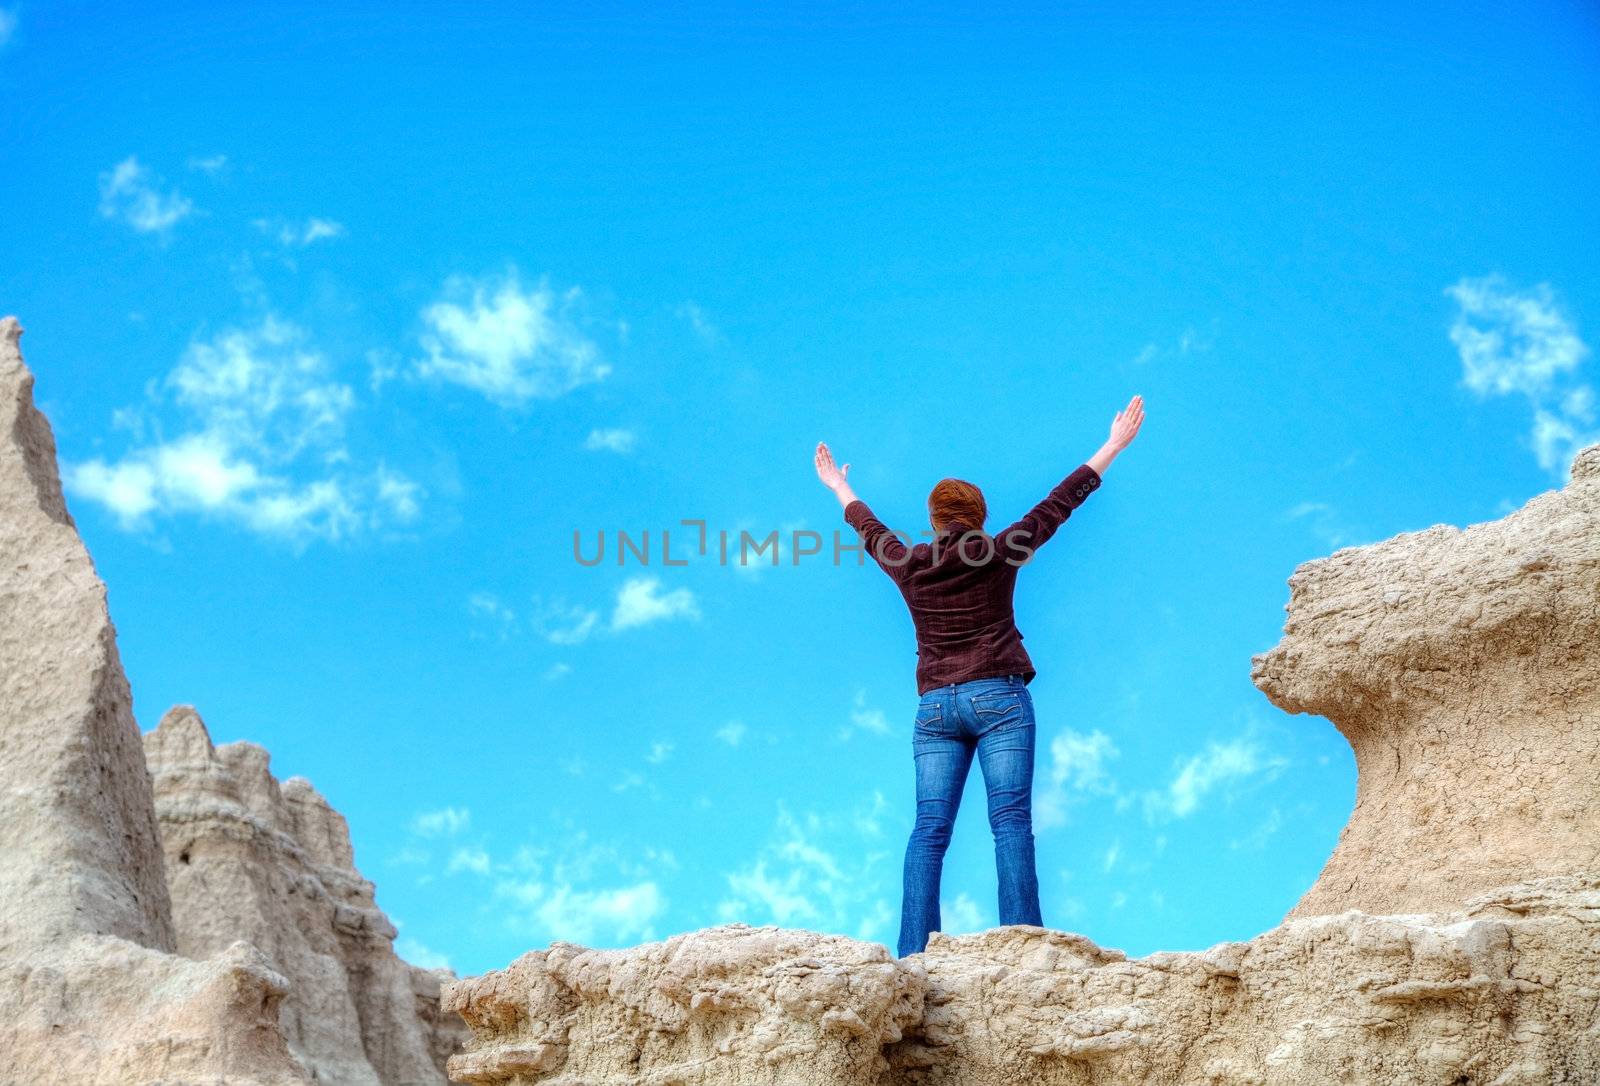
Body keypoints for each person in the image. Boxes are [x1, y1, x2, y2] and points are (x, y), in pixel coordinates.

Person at [814, 394, 1145, 957]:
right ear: (980, 516)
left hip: (937, 709)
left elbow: (869, 530)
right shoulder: (998, 550)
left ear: (934, 520)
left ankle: (914, 955)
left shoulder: (910, 563)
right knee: (1010, 822)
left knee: (928, 832)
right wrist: (1112, 446)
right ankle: (1020, 946)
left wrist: (839, 487)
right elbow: (1055, 506)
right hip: (999, 698)